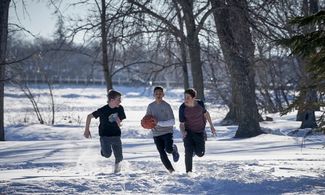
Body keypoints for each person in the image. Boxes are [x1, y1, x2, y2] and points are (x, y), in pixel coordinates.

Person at [84, 89, 126, 173]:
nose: (120, 101)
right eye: (118, 99)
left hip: (116, 136)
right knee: (107, 155)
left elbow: (120, 120)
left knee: (119, 157)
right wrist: (86, 130)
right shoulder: (102, 110)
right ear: (112, 100)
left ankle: (116, 173)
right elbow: (89, 116)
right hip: (105, 137)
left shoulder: (120, 108)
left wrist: (119, 121)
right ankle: (103, 151)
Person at [179, 88, 216, 173]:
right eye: (184, 97)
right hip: (188, 132)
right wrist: (183, 132)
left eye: (187, 97)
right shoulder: (182, 108)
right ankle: (189, 172)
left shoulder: (200, 104)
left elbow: (206, 114)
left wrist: (211, 126)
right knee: (188, 152)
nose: (185, 99)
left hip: (199, 132)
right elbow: (181, 124)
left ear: (193, 97)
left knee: (200, 153)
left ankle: (195, 150)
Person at [145, 86, 180, 173]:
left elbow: (172, 122)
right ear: (154, 95)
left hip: (167, 132)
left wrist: (159, 123)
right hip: (156, 133)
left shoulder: (167, 106)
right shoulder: (150, 106)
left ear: (163, 94)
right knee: (162, 152)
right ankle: (171, 170)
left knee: (168, 149)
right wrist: (144, 123)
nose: (158, 95)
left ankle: (173, 149)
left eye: (160, 93)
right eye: (156, 93)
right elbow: (147, 118)